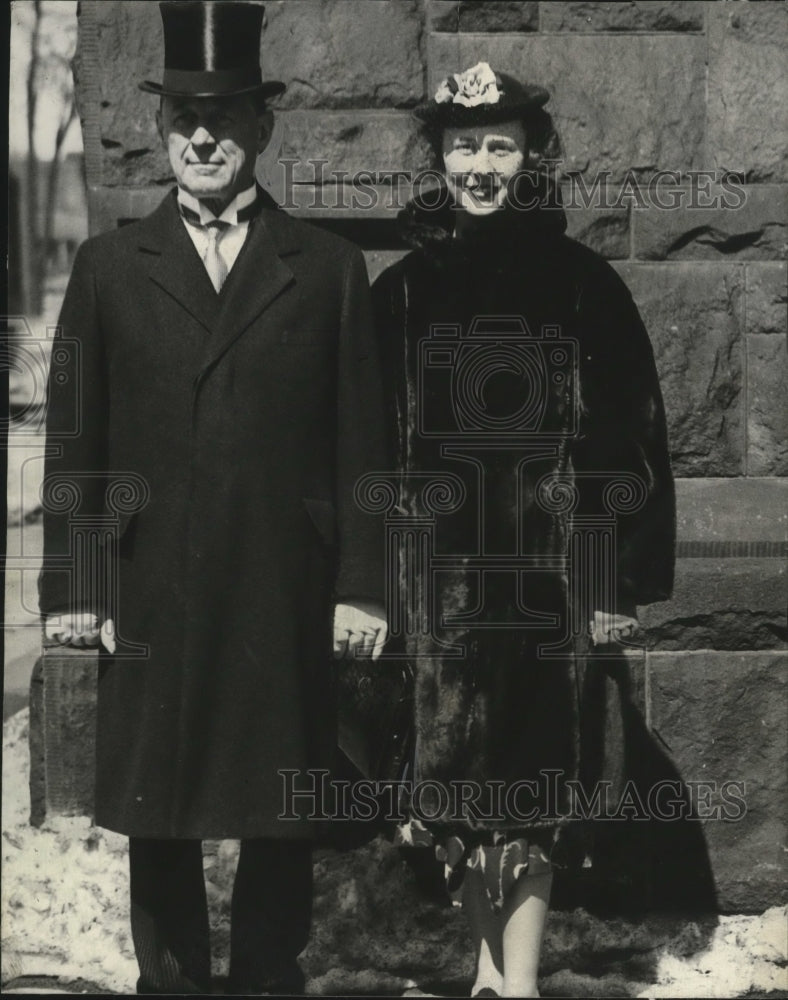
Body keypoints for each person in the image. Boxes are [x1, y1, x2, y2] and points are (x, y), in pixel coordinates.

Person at [38, 2, 387, 994]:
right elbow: (79, 444)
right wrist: (80, 579)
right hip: (156, 586)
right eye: (186, 117)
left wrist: (361, 583)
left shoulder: (326, 270)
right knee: (163, 801)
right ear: (160, 131)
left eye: (225, 116)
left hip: (283, 578)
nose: (203, 136)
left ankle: (270, 975)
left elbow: (365, 442)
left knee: (281, 797)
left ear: (261, 130)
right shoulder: (110, 269)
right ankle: (173, 982)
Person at [372, 62, 675, 998]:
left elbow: (630, 442)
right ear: (439, 157)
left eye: (500, 146)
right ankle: (484, 970)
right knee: (458, 781)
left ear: (532, 156)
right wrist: (373, 581)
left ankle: (522, 981)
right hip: (440, 584)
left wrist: (613, 583)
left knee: (539, 781)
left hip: (552, 582)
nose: (480, 165)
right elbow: (371, 447)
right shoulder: (403, 293)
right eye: (464, 146)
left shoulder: (585, 286)